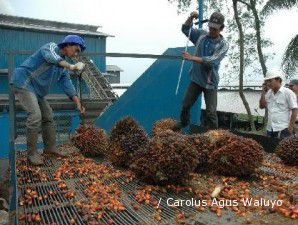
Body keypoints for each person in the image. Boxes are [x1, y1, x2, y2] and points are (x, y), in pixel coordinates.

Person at [11, 35, 87, 165]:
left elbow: (66, 83)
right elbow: (52, 58)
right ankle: (32, 154)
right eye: (76, 49)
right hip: (24, 82)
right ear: (68, 44)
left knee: (48, 116)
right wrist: (72, 67)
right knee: (35, 115)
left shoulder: (63, 66)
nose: (76, 53)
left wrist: (78, 103)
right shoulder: (51, 47)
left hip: (37, 92)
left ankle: (50, 148)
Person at [174, 11, 229, 131]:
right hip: (196, 79)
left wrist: (191, 57)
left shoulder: (223, 45)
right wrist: (191, 17)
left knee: (211, 112)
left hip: (210, 82)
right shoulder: (201, 36)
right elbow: (186, 29)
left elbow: (212, 61)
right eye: (210, 27)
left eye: (215, 29)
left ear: (221, 28)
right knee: (185, 105)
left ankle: (214, 135)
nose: (211, 30)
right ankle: (184, 122)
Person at [259, 70, 298, 139]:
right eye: (267, 81)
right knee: (269, 148)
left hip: (283, 129)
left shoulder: (288, 93)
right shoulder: (268, 93)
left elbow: (294, 110)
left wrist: (290, 128)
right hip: (270, 129)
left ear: (278, 80)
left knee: (282, 149)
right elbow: (262, 106)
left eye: (270, 81)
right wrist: (263, 92)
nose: (268, 83)